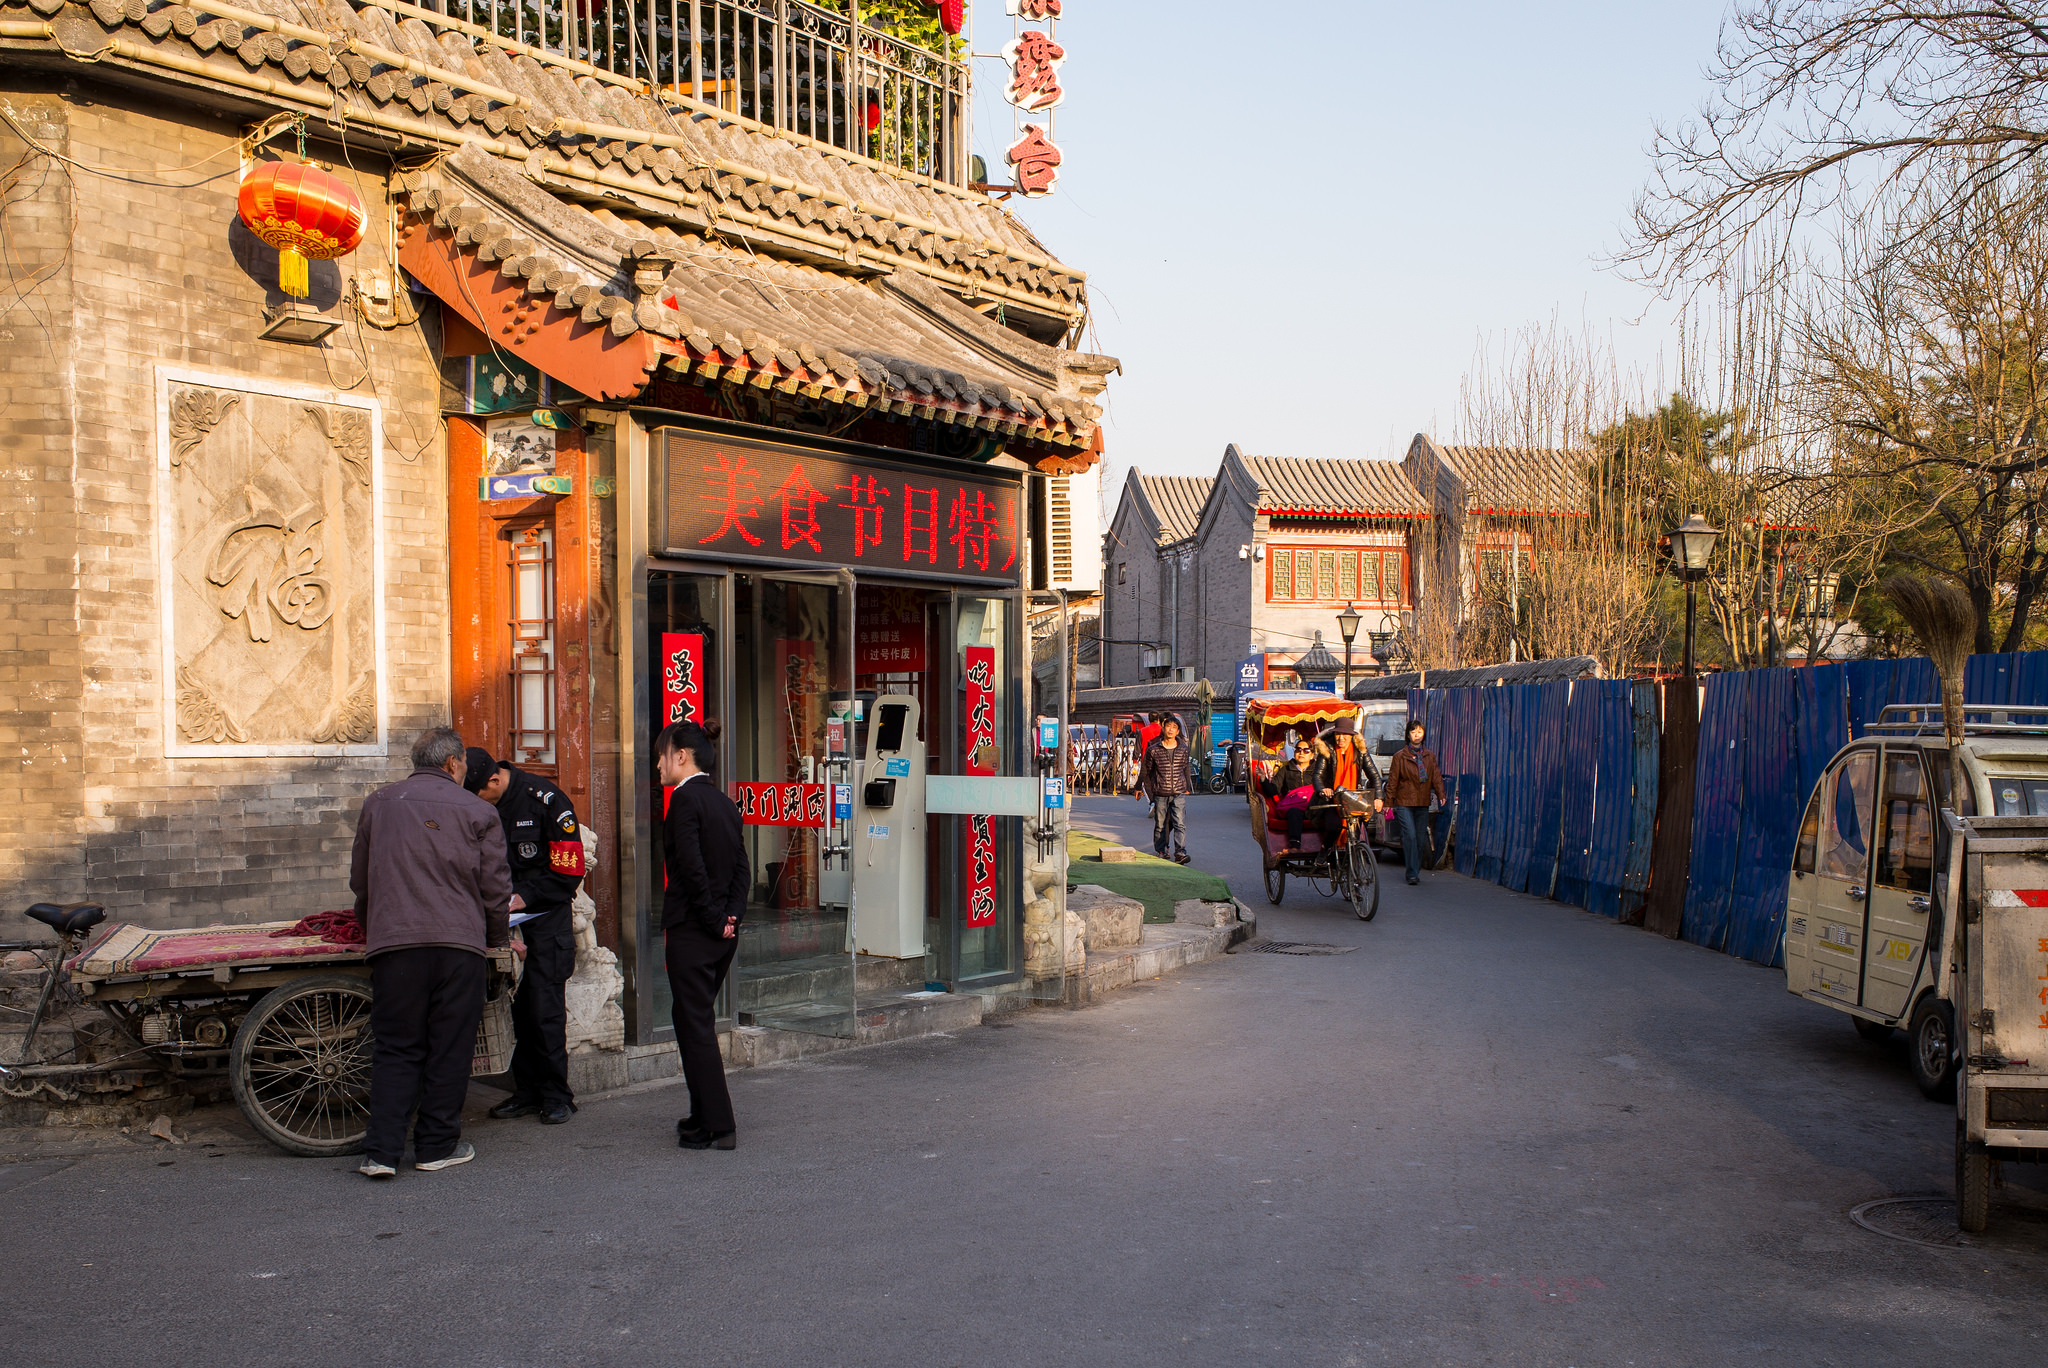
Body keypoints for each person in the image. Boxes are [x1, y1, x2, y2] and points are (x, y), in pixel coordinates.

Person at [349, 726, 511, 1178]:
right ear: (454, 764)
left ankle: (380, 1153)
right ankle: (435, 1147)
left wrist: (371, 926)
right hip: (458, 946)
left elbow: (360, 879)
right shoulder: (478, 811)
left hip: (395, 944)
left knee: (396, 1047)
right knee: (449, 1047)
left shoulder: (380, 804)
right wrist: (497, 938)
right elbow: (495, 889)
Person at [465, 748, 583, 1126]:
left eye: (479, 794)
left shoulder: (546, 802)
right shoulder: (482, 807)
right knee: (514, 1009)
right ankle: (527, 1090)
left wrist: (524, 896)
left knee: (544, 1011)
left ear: (495, 780)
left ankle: (556, 1095)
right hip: (504, 925)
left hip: (545, 924)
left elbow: (569, 872)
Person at [659, 718, 748, 1151]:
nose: (658, 765)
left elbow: (690, 869)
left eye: (662, 755)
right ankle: (701, 1116)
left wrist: (715, 919)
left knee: (694, 1024)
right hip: (719, 932)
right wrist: (731, 917)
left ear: (681, 756)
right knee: (692, 1020)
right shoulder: (725, 803)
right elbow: (741, 870)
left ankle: (719, 1124)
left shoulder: (684, 801)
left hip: (695, 930)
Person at [1385, 718, 1447, 885]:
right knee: (1410, 836)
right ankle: (1411, 872)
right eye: (1413, 732)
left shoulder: (1429, 756)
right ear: (1408, 735)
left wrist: (1441, 794)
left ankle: (1415, 869)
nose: (1417, 735)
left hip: (1422, 801)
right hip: (1404, 801)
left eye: (1419, 731)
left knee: (1420, 838)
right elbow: (1392, 781)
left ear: (1423, 734)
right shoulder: (1400, 757)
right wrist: (1388, 803)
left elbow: (1436, 776)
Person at [1260, 735, 1339, 854]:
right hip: (1295, 808)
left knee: (1330, 810)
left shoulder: (1318, 769)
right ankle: (1295, 845)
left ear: (1312, 754)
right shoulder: (1286, 769)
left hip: (1315, 806)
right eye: (1298, 750)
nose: (1301, 753)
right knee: (1294, 812)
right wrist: (1263, 779)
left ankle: (1331, 845)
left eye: (1306, 751)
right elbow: (1274, 790)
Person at [1136, 714, 1194, 864]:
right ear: (1163, 728)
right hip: (1161, 791)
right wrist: (1138, 787)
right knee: (1160, 823)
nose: (1171, 729)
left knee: (1179, 823)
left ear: (1178, 731)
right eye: (1168, 726)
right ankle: (1162, 850)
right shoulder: (1154, 749)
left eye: (1174, 727)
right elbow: (1146, 769)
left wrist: (1187, 785)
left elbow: (1185, 768)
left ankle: (1180, 852)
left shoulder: (1183, 749)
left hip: (1178, 792)